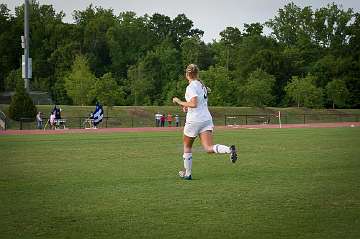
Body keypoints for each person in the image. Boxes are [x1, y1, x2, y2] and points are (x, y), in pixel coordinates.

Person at [172, 64, 237, 180]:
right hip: (206, 119)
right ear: (197, 73)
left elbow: (194, 104)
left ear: (187, 74)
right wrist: (187, 107)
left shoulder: (191, 87)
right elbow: (201, 99)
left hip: (194, 120)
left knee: (187, 146)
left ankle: (188, 173)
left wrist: (179, 102)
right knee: (208, 147)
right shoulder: (202, 85)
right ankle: (229, 150)